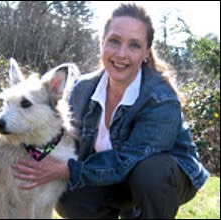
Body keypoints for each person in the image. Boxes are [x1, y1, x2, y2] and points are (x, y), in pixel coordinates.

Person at [12, 3, 210, 219]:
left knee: (151, 172)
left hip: (163, 179)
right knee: (71, 198)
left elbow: (130, 158)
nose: (122, 54)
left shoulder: (162, 99)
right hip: (113, 176)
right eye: (114, 41)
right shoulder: (81, 89)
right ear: (102, 43)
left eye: (134, 45)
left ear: (146, 52)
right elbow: (65, 139)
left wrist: (68, 170)